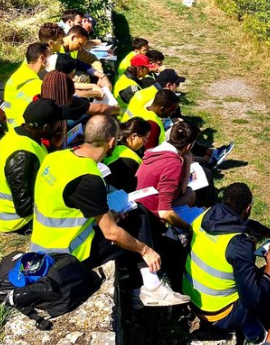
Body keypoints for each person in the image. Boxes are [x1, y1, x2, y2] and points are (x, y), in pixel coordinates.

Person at [30, 115, 190, 307]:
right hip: (70, 252)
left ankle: (140, 286)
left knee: (131, 215)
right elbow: (111, 233)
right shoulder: (88, 178)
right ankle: (151, 286)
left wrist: (108, 211)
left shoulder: (55, 157)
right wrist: (145, 250)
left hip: (42, 242)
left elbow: (67, 204)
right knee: (136, 217)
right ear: (112, 141)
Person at [183, 183, 270, 345]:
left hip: (195, 299)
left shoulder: (205, 216)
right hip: (220, 313)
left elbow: (241, 222)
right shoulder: (238, 244)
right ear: (247, 209)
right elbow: (253, 300)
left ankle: (255, 331)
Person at [0, 99, 66, 233]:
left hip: (16, 215)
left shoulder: (19, 135)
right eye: (57, 123)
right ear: (46, 127)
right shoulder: (23, 156)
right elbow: (25, 208)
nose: (59, 126)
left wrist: (55, 148)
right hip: (19, 222)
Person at [135, 120, 201, 230]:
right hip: (152, 218)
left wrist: (187, 162)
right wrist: (189, 228)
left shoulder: (155, 152)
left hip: (141, 208)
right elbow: (164, 212)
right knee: (192, 198)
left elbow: (183, 190)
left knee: (189, 193)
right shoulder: (173, 164)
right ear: (189, 146)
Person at [40, 70, 119, 125]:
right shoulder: (70, 102)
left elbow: (78, 93)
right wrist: (117, 109)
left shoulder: (43, 95)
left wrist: (95, 92)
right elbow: (101, 109)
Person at [4, 42, 51, 128]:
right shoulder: (37, 85)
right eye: (49, 57)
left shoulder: (17, 75)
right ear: (42, 58)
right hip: (25, 131)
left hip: (10, 127)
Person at [103, 117, 150, 193]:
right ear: (134, 136)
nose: (145, 143)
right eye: (144, 139)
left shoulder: (114, 144)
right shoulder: (131, 161)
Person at [63, 25, 112, 91]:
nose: (80, 48)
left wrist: (101, 75)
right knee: (82, 77)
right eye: (80, 44)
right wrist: (92, 86)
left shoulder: (76, 50)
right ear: (73, 37)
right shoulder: (55, 50)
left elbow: (91, 59)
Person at [115, 54, 154, 119]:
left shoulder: (127, 78)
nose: (148, 70)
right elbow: (140, 105)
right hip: (127, 120)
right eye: (146, 68)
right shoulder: (130, 87)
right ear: (139, 69)